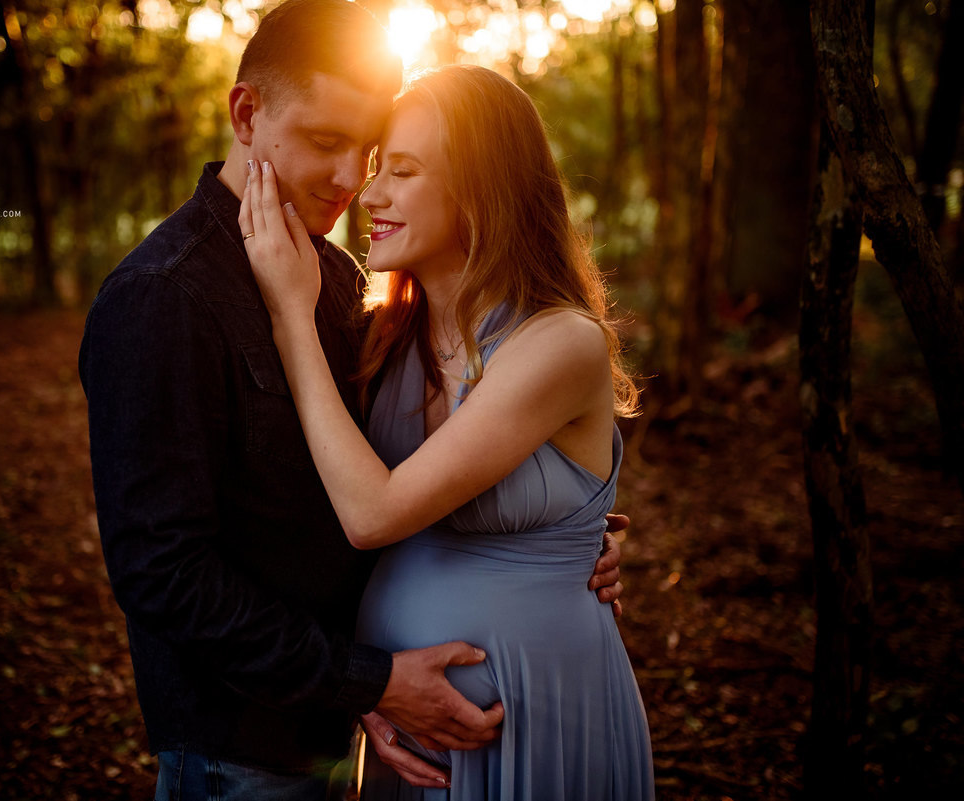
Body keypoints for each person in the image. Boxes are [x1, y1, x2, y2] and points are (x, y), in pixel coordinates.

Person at [80, 2, 625, 798]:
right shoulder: (161, 298)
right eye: (327, 142)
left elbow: (399, 479)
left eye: (371, 151)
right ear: (246, 112)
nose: (352, 180)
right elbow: (162, 569)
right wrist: (366, 679)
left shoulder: (346, 290)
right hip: (242, 750)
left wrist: (577, 539)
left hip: (364, 734)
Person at [238, 63, 654, 799]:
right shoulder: (382, 338)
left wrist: (289, 316)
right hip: (408, 725)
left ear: (479, 189)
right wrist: (364, 680)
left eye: (402, 171)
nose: (370, 194)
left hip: (540, 713)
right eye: (377, 169)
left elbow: (373, 515)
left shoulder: (559, 342)